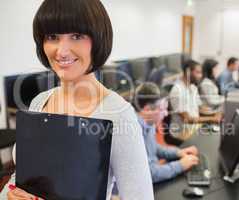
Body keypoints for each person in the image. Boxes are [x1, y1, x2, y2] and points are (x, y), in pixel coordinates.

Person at [4, 0, 154, 199]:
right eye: (52, 37)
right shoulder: (39, 102)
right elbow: (19, 179)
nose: (62, 51)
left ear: (98, 39)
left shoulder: (118, 114)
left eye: (76, 36)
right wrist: (10, 195)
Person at [134, 82, 199, 183]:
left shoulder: (149, 123)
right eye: (163, 109)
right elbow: (149, 174)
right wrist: (180, 165)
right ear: (147, 110)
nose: (166, 113)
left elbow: (154, 148)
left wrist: (178, 153)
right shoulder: (133, 134)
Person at [169, 60, 222, 140]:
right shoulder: (177, 91)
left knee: (216, 137)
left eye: (201, 73)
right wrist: (212, 119)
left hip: (194, 128)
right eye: (198, 72)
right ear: (188, 72)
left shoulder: (193, 87)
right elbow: (187, 119)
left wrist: (216, 113)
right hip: (182, 133)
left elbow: (201, 108)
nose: (200, 76)